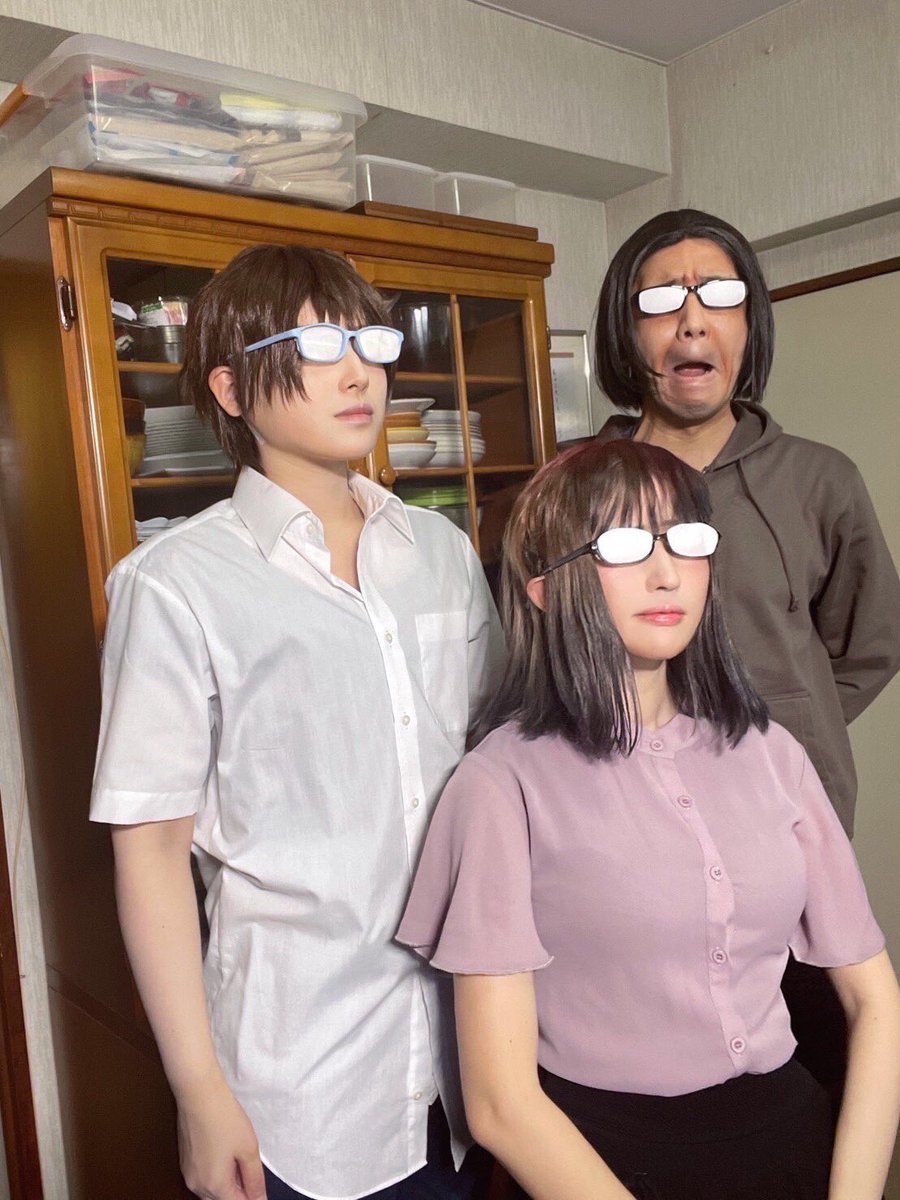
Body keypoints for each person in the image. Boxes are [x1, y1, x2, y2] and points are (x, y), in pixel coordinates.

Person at [90, 244, 503, 1200]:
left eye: (370, 342)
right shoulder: (175, 585)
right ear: (231, 389)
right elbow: (150, 854)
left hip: (470, 1063)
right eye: (318, 346)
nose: (360, 372)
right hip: (304, 1088)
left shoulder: (440, 551)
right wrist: (198, 1091)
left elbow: (495, 770)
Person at [397, 438, 900, 1200]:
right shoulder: (500, 784)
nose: (666, 572)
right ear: (546, 588)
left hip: (790, 1141)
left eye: (685, 540)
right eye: (625, 544)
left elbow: (875, 1000)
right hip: (597, 1161)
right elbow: (500, 1105)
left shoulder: (773, 753)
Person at [591, 207, 900, 1103]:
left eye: (719, 295)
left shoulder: (820, 479)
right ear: (626, 330)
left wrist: (786, 723)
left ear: (749, 323)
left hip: (791, 847)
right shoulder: (580, 486)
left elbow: (868, 643)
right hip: (627, 851)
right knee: (657, 1098)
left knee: (815, 1087)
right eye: (662, 298)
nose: (692, 319)